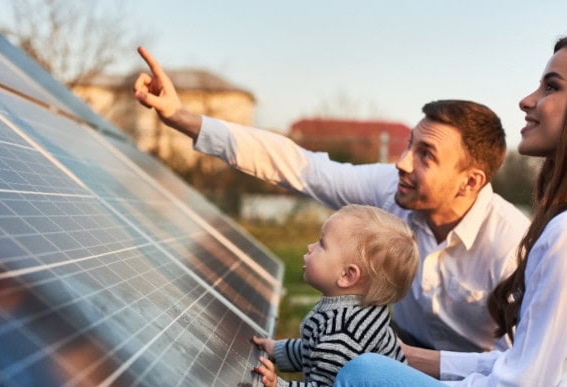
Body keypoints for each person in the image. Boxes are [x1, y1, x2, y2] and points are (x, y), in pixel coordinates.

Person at [332, 30, 567, 387]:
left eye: (551, 86)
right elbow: (530, 363)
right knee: (381, 375)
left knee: (360, 382)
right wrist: (409, 361)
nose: (527, 100)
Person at [133, 47, 530, 353]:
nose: (402, 162)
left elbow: (515, 371)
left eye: (426, 155)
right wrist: (181, 117)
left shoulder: (512, 245)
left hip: (474, 384)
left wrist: (405, 363)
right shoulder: (392, 189)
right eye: (410, 144)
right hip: (400, 345)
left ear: (469, 182)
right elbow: (299, 166)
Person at [251, 204, 419, 387]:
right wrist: (279, 350)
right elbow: (318, 352)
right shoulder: (353, 310)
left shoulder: (343, 332)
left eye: (321, 244)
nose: (310, 247)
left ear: (347, 276)